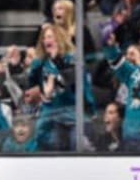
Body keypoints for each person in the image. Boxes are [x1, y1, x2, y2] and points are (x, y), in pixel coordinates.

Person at [29, 23, 96, 151]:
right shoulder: (40, 63)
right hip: (50, 114)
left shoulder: (73, 58)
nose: (47, 40)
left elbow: (70, 79)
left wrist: (57, 60)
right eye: (45, 37)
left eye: (51, 37)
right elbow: (31, 86)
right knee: (47, 142)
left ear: (59, 39)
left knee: (77, 143)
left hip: (72, 112)